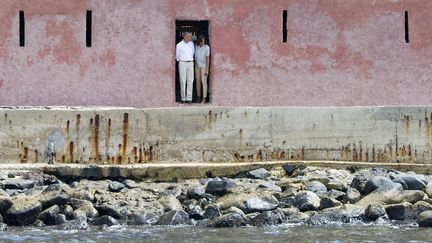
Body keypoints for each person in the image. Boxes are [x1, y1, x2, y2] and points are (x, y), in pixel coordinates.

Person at [175, 31, 195, 103]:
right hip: (182, 63)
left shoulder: (191, 44)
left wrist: (189, 60)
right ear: (184, 36)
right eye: (189, 36)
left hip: (190, 63)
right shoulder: (179, 45)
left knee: (190, 81)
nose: (190, 38)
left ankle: (189, 98)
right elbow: (177, 56)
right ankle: (183, 98)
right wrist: (181, 61)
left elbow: (192, 53)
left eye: (190, 36)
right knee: (183, 81)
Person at [194, 35, 210, 103]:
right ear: (199, 41)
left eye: (203, 41)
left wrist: (207, 69)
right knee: (197, 82)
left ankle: (204, 98)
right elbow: (192, 37)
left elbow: (207, 59)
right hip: (197, 66)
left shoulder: (207, 47)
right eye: (201, 41)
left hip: (204, 66)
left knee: (204, 82)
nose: (202, 43)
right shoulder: (196, 46)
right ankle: (198, 97)